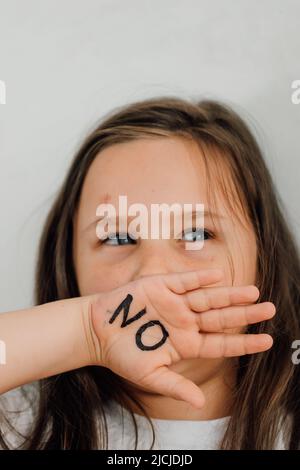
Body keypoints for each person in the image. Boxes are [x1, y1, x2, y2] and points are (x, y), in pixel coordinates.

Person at [0, 97, 299, 450]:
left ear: (263, 256)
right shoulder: (18, 424)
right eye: (118, 237)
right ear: (68, 262)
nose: (153, 275)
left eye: (197, 234)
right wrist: (85, 331)